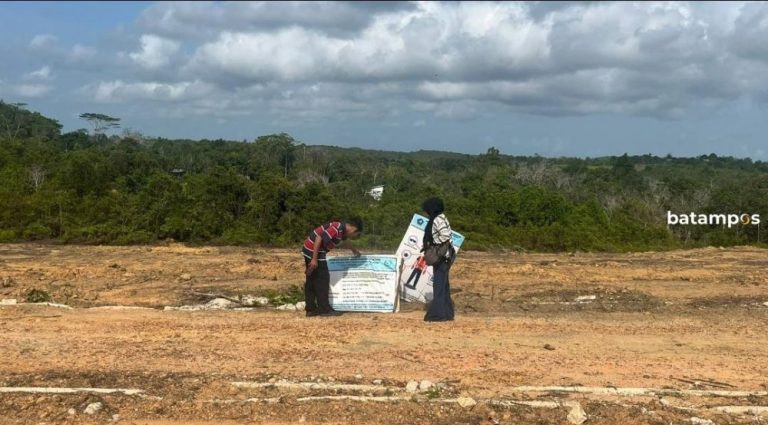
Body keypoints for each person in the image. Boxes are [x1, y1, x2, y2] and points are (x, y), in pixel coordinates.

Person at [302, 218, 363, 317]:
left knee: (311, 280)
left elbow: (346, 241)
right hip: (314, 251)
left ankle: (310, 309)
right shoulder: (336, 228)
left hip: (309, 249)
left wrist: (354, 251)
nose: (354, 237)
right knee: (323, 279)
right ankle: (324, 310)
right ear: (354, 229)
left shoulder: (342, 231)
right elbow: (319, 238)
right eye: (356, 235)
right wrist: (314, 259)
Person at [421, 197, 455, 322]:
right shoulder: (441, 217)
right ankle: (447, 313)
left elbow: (445, 236)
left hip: (442, 256)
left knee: (439, 286)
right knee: (444, 286)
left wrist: (433, 244)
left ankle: (438, 314)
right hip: (445, 256)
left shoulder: (437, 219)